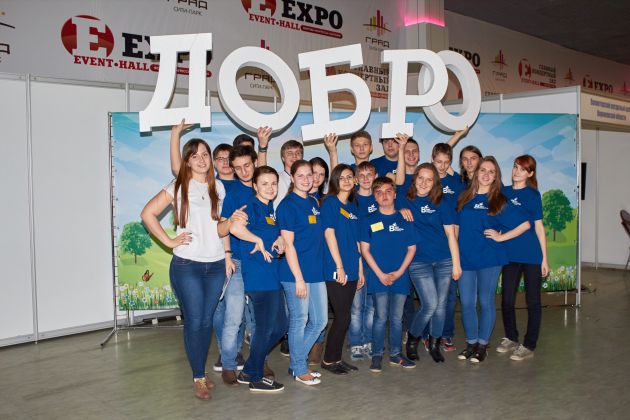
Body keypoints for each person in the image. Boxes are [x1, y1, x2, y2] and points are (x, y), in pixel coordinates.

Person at [140, 138, 226, 400]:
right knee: (195, 321)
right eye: (195, 156)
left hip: (216, 264)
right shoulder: (178, 186)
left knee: (206, 322)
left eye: (205, 154)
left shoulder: (219, 187)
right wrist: (169, 242)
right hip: (187, 265)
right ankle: (198, 376)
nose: (201, 160)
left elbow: (220, 225)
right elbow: (147, 214)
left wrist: (227, 256)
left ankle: (200, 370)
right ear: (187, 161)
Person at [455, 156, 531, 363]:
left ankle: (482, 346)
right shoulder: (464, 197)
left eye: (491, 171)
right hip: (465, 257)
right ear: (476, 173)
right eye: (483, 170)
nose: (486, 174)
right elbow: (456, 228)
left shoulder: (498, 200)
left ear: (496, 176)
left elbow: (525, 224)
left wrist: (501, 237)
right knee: (467, 303)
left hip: (489, 257)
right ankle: (471, 343)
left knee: (485, 301)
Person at [228, 166, 288, 392]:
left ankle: (249, 370)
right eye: (264, 183)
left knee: (280, 326)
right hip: (258, 276)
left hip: (272, 275)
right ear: (255, 186)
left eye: (273, 183)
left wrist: (279, 240)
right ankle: (255, 377)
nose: (270, 188)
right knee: (264, 328)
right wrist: (257, 240)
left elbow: (272, 233)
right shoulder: (251, 206)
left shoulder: (270, 209)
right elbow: (235, 228)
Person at [402, 164, 462, 363]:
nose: (424, 183)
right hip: (418, 262)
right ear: (415, 179)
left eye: (429, 179)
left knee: (441, 306)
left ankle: (435, 344)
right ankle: (413, 339)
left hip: (444, 260)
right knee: (430, 304)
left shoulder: (442, 203)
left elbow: (451, 235)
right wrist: (400, 209)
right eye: (421, 178)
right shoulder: (404, 199)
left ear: (435, 183)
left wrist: (456, 264)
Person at [277, 160, 328, 386]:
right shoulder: (287, 206)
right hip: (295, 274)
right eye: (301, 175)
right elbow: (289, 245)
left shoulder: (314, 202)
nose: (307, 179)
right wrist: (299, 278)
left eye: (310, 175)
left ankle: (296, 363)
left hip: (315, 272)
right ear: (292, 178)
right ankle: (299, 368)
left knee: (320, 321)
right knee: (300, 320)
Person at [360, 177, 417, 372]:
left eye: (388, 191)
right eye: (379, 192)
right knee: (380, 317)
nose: (384, 195)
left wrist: (399, 272)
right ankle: (376, 355)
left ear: (394, 194)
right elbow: (365, 250)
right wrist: (380, 274)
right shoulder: (368, 220)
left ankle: (395, 354)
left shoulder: (405, 219)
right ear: (374, 196)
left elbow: (412, 248)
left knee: (396, 318)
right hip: (378, 277)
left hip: (400, 277)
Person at [496, 155, 549, 361]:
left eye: (522, 169)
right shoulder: (503, 192)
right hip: (510, 255)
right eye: (515, 167)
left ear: (530, 173)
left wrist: (544, 259)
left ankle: (529, 345)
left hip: (531, 255)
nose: (517, 171)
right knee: (507, 299)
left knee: (533, 301)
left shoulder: (533, 195)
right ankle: (511, 338)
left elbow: (539, 227)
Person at [319, 164, 363, 375]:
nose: (346, 180)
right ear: (335, 181)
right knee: (343, 316)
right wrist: (339, 266)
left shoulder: (353, 207)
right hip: (336, 268)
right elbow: (329, 234)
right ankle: (329, 360)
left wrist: (360, 270)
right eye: (342, 177)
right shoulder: (330, 203)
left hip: (353, 267)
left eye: (349, 177)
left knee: (345, 317)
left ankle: (336, 358)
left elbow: (356, 241)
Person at [348, 161, 378, 361]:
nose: (366, 179)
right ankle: (355, 343)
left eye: (370, 174)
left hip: (376, 262)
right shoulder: (352, 201)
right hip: (357, 261)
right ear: (356, 179)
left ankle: (368, 340)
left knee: (372, 307)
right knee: (356, 307)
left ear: (375, 176)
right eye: (362, 175)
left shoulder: (380, 198)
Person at [274, 139, 304, 209]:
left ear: (302, 157)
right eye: (290, 153)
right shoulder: (276, 177)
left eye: (298, 153)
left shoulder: (307, 180)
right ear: (283, 158)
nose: (294, 156)